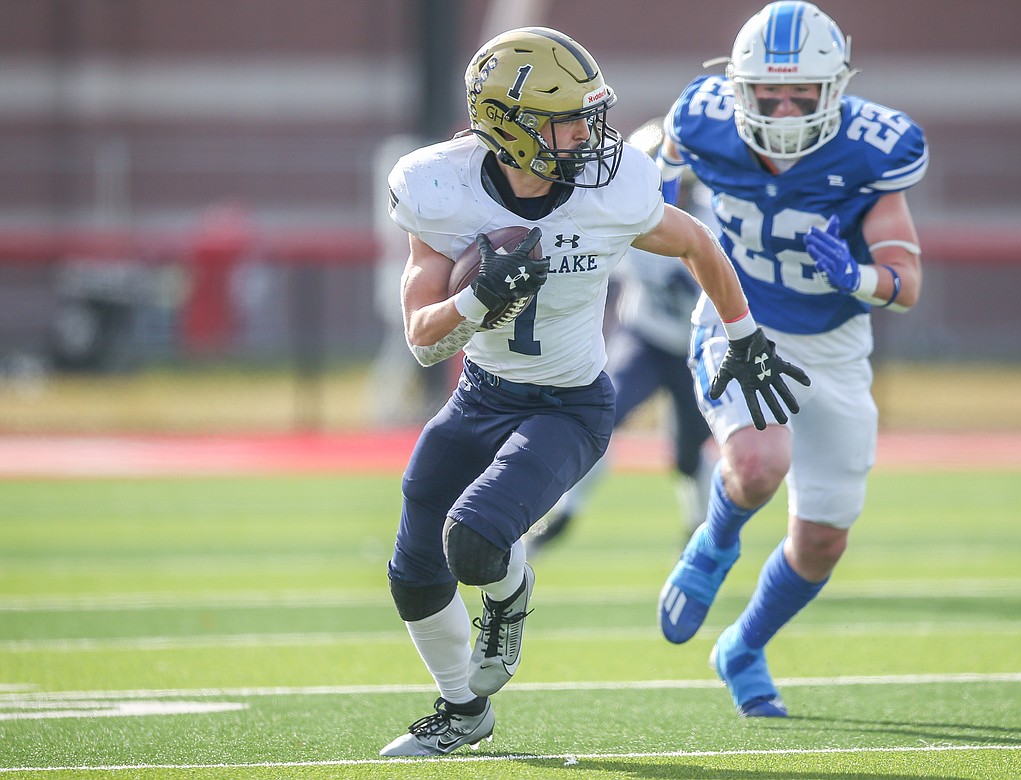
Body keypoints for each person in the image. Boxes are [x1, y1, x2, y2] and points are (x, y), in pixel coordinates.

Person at [380, 26, 809, 757]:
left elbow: (700, 244)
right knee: (413, 568)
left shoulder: (613, 190)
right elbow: (424, 338)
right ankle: (462, 714)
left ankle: (509, 596)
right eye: (567, 119)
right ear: (508, 128)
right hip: (481, 394)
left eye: (590, 112)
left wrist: (743, 337)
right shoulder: (440, 186)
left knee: (476, 544)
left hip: (568, 406)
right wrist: (479, 301)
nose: (589, 134)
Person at [655, 1, 928, 718]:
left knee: (822, 544)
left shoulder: (874, 147)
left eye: (800, 91)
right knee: (756, 465)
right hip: (740, 318)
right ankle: (713, 546)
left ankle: (741, 647)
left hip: (835, 348)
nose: (780, 106)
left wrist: (858, 278)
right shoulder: (702, 117)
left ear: (833, 88)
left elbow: (906, 282)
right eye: (766, 91)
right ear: (737, 86)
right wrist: (652, 212)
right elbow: (661, 180)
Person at [523, 118, 716, 555]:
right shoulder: (619, 219)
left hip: (696, 346)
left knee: (689, 450)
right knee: (598, 420)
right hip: (644, 336)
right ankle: (564, 515)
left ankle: (699, 530)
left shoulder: (713, 225)